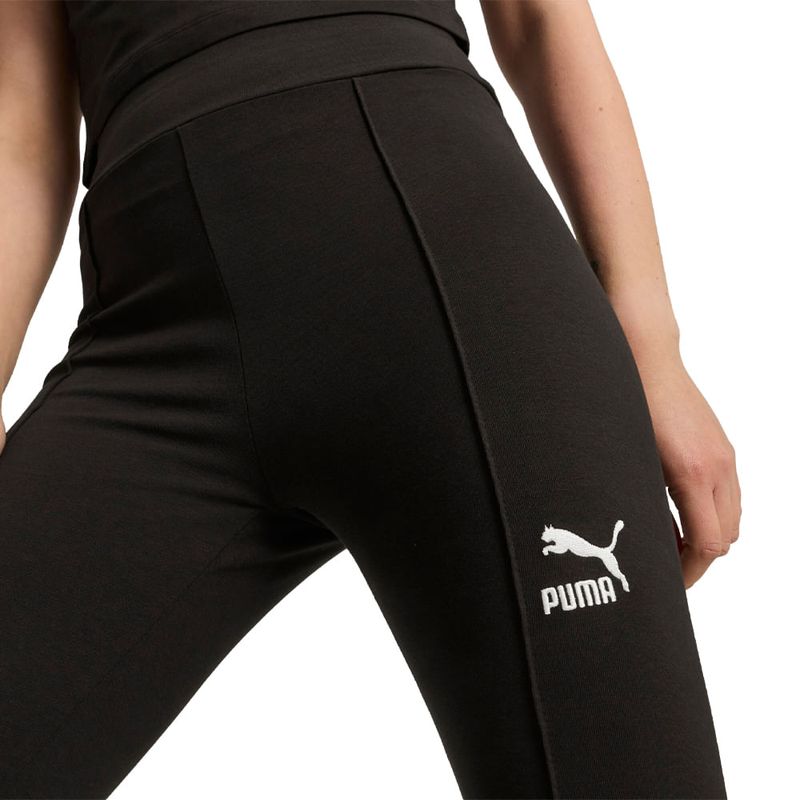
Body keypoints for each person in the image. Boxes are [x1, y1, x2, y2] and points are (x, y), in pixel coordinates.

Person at [0, 1, 739, 798]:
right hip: (152, 334)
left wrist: (653, 353)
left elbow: (538, 19)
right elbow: (20, 119)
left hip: (453, 282)